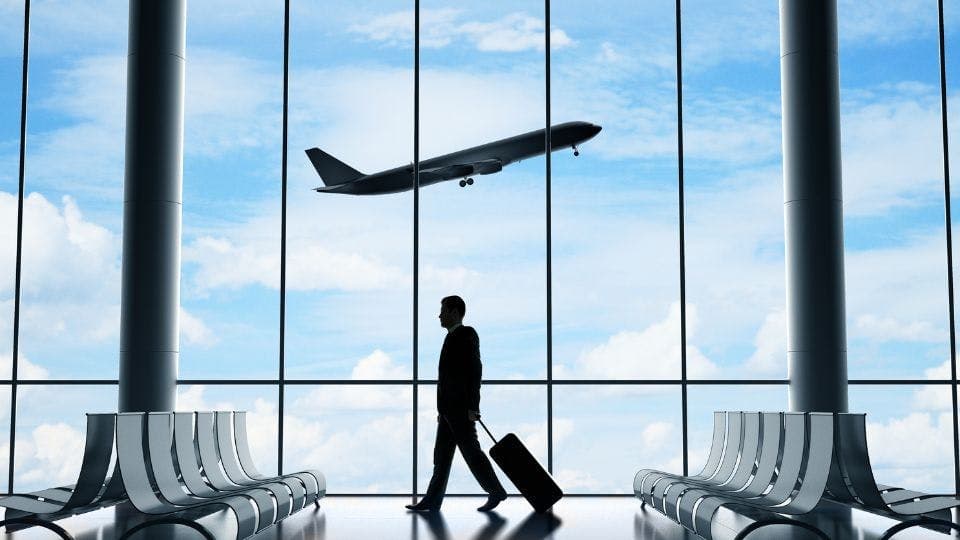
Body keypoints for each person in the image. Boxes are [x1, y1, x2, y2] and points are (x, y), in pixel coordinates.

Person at [406, 295, 508, 513]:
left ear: (454, 312)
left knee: (472, 454)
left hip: (461, 410)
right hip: (447, 412)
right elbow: (445, 379)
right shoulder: (450, 338)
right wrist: (440, 410)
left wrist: (473, 407)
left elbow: (475, 371)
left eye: (443, 310)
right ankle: (432, 501)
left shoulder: (466, 334)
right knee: (441, 458)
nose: (439, 315)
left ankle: (496, 491)